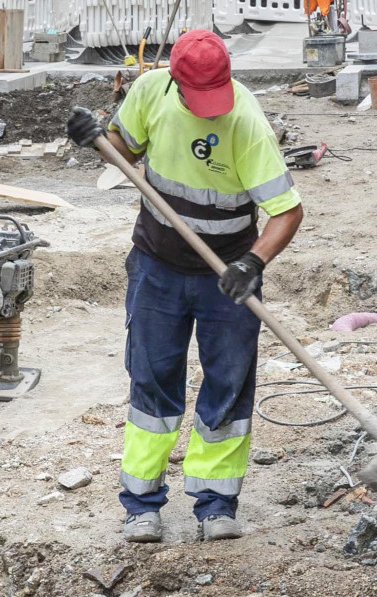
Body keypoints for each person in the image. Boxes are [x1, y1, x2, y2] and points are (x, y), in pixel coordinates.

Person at [66, 29, 303, 542]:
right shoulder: (150, 91)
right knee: (151, 378)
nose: (210, 110)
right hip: (158, 266)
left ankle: (216, 504)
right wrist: (96, 138)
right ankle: (141, 505)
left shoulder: (247, 120)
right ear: (175, 81)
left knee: (228, 384)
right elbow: (124, 151)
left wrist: (254, 263)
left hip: (229, 277)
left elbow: (288, 211)